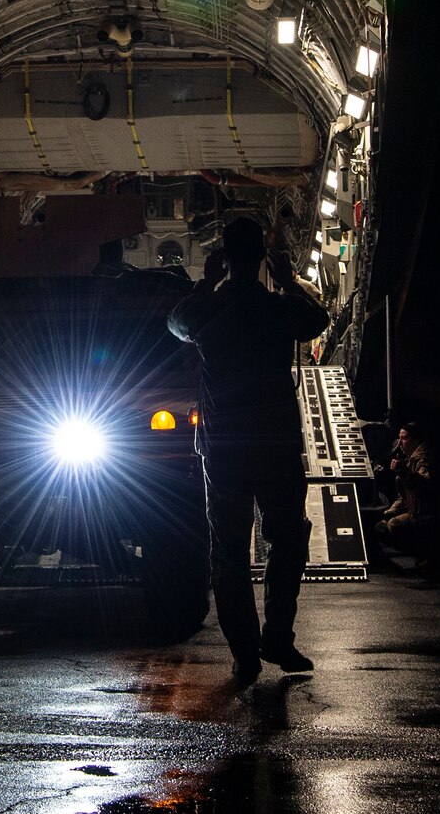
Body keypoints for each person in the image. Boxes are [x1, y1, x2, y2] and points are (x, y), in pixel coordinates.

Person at [166, 216, 329, 684]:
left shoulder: (209, 310)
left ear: (224, 257)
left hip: (226, 447)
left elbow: (175, 322)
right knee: (288, 539)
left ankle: (245, 654)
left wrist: (206, 280)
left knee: (230, 551)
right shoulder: (278, 309)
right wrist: (286, 279)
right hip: (275, 442)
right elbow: (316, 319)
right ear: (262, 257)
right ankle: (278, 635)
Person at [374, 420, 440, 567]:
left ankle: (428, 554)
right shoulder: (411, 459)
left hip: (428, 515)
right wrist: (389, 512)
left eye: (404, 438)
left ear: (416, 440)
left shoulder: (423, 458)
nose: (400, 443)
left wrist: (402, 471)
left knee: (394, 526)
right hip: (418, 512)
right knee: (383, 525)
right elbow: (404, 496)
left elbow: (425, 487)